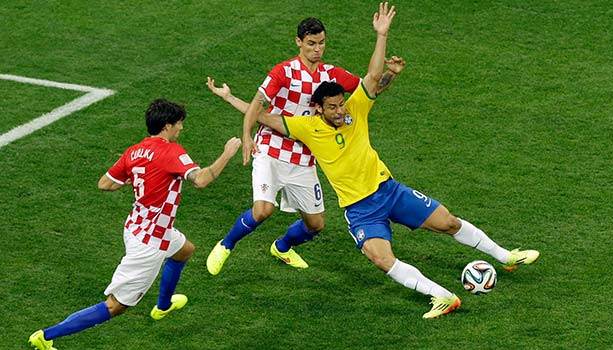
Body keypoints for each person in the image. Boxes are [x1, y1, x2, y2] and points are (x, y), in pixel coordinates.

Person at [221, 3, 540, 318]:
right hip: (359, 209)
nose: (340, 110)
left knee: (449, 222)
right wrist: (231, 101)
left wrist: (382, 39)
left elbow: (373, 78)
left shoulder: (355, 110)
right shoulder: (305, 127)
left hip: (389, 191)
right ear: (318, 109)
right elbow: (263, 114)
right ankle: (442, 296)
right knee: (381, 258)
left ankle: (506, 255)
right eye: (332, 107)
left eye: (340, 104)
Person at [28, 99, 241, 350]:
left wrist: (136, 179)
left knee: (185, 250)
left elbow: (104, 184)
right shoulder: (171, 151)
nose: (181, 128)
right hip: (150, 242)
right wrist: (227, 153)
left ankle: (163, 306)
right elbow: (202, 180)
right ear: (166, 126)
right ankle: (46, 336)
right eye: (179, 123)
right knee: (115, 306)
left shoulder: (134, 151)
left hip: (137, 226)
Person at [205, 4, 401, 275]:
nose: (317, 49)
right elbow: (258, 104)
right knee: (262, 210)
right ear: (299, 42)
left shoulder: (331, 74)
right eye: (311, 43)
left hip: (304, 157)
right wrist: (247, 135)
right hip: (271, 150)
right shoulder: (283, 72)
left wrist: (391, 73)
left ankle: (282, 247)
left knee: (316, 224)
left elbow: (370, 88)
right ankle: (226, 245)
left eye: (321, 43)